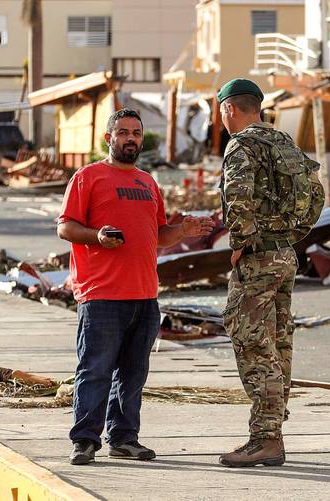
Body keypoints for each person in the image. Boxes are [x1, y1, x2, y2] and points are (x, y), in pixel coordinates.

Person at [57, 108, 215, 465]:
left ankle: (124, 438)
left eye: (137, 133)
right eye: (124, 132)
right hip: (101, 295)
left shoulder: (148, 183)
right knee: (95, 369)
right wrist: (97, 236)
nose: (131, 138)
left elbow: (158, 236)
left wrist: (184, 232)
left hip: (145, 295)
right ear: (108, 139)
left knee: (132, 374)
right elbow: (66, 228)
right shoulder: (88, 177)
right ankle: (84, 440)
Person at [216, 79, 324, 467]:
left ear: (229, 109)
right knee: (278, 344)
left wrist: (240, 243)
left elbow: (239, 200)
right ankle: (271, 432)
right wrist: (288, 235)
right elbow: (316, 196)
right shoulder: (284, 143)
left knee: (251, 341)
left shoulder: (241, 145)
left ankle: (265, 439)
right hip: (284, 255)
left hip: (259, 260)